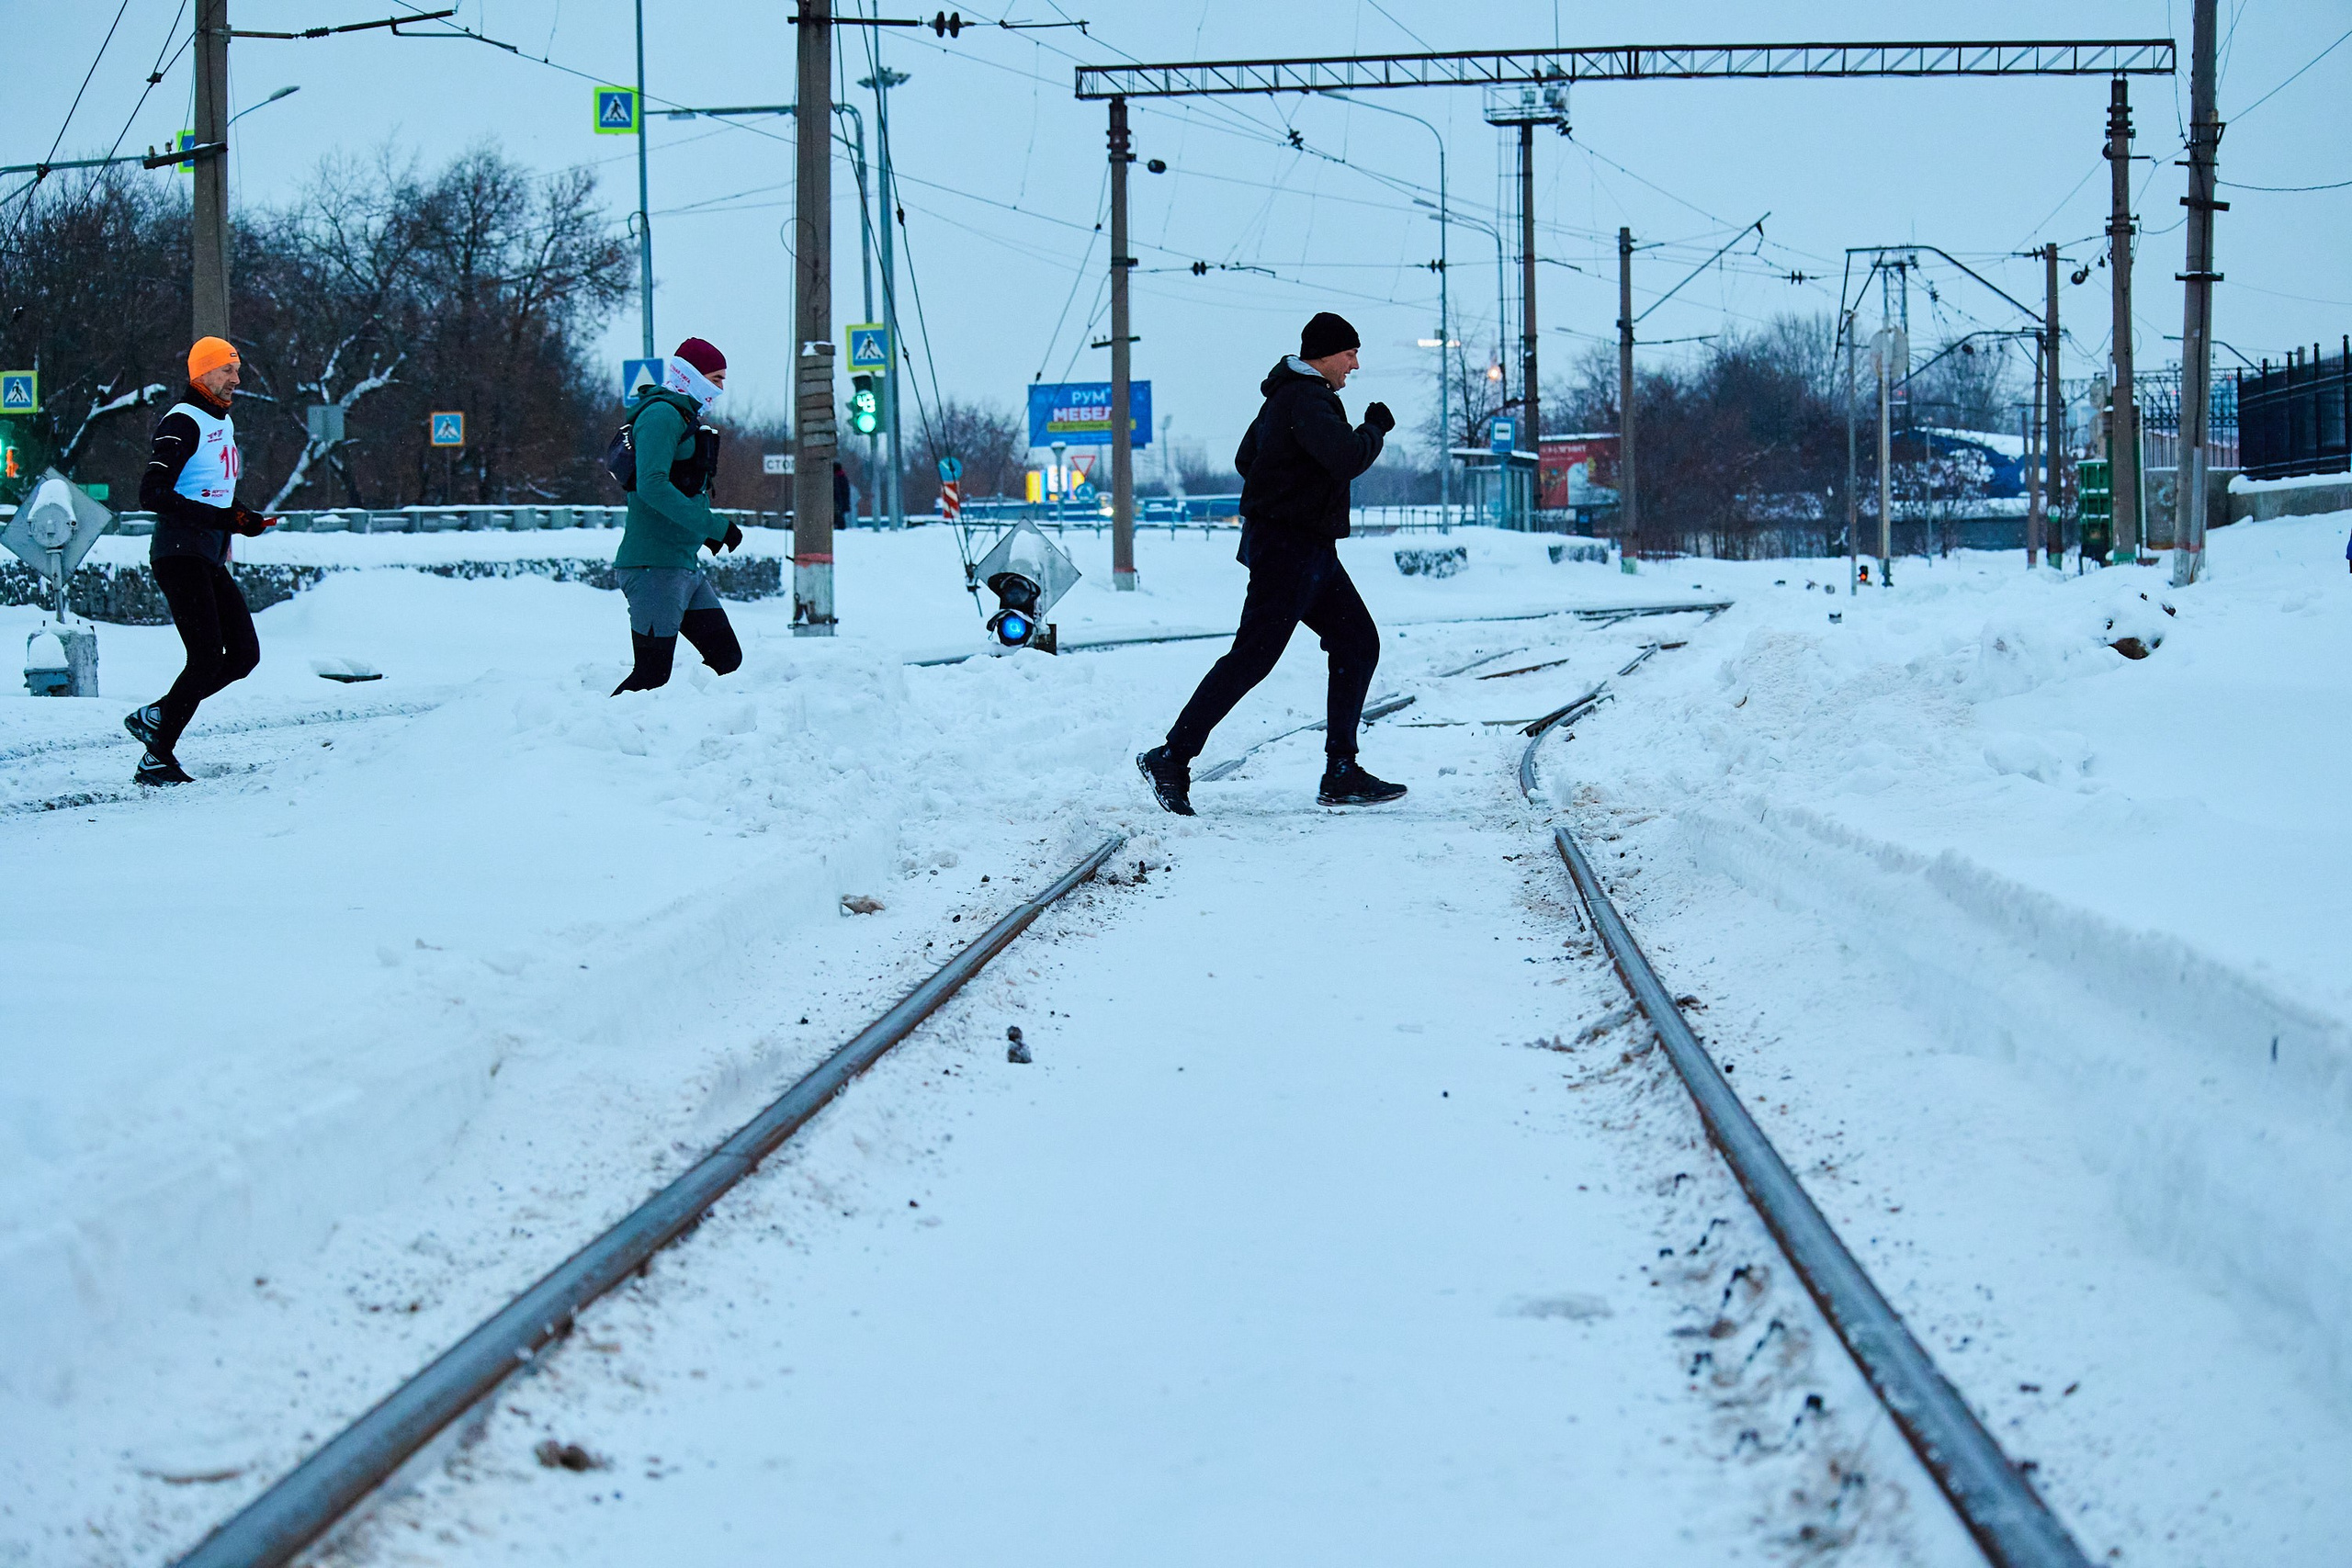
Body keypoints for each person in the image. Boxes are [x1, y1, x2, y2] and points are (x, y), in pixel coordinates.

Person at [1137, 311, 1405, 814]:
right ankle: (1171, 756)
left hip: (1308, 548)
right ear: (1323, 355)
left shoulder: (1288, 399)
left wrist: (1288, 479)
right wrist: (1374, 428)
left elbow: (1246, 459)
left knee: (1356, 640)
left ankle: (1341, 772)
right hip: (1289, 550)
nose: (1355, 364)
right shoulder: (1305, 399)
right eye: (1350, 354)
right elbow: (1346, 458)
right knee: (1254, 656)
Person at [121, 336, 277, 786]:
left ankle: (158, 714)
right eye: (228, 370)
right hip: (178, 553)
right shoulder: (183, 420)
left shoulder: (220, 423)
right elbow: (152, 494)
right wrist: (221, 517)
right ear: (203, 373)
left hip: (206, 553)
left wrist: (242, 518)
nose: (237, 379)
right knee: (207, 655)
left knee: (244, 654)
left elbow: (213, 491)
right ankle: (157, 757)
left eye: (237, 369)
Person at [612, 337, 745, 694]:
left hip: (681, 564)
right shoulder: (660, 415)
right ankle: (592, 739)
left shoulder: (684, 416)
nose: (720, 389)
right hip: (653, 566)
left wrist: (705, 534)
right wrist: (714, 525)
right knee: (652, 673)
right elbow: (651, 485)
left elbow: (682, 486)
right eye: (715, 379)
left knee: (726, 658)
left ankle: (697, 735)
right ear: (693, 376)